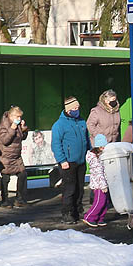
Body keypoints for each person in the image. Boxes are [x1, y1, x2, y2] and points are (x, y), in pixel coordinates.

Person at [52, 96, 90, 224]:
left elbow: (86, 138)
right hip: (68, 162)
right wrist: (62, 160)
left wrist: (89, 152)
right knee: (69, 189)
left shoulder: (81, 121)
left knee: (80, 187)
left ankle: (77, 210)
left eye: (78, 107)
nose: (76, 110)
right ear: (68, 109)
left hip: (81, 160)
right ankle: (67, 213)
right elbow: (56, 144)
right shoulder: (59, 125)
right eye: (74, 108)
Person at [0, 106, 29, 207]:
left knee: (22, 174)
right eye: (17, 116)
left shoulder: (17, 124)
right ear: (11, 116)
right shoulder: (4, 125)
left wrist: (23, 129)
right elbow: (5, 140)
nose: (19, 119)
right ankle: (4, 200)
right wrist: (13, 128)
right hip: (6, 155)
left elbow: (22, 138)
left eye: (20, 117)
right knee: (5, 177)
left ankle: (20, 199)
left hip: (16, 156)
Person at [81, 134, 110, 227]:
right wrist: (103, 185)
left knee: (105, 202)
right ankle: (89, 217)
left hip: (104, 183)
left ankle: (100, 218)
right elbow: (98, 173)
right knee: (99, 201)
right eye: (102, 146)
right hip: (99, 185)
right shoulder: (94, 158)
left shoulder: (101, 155)